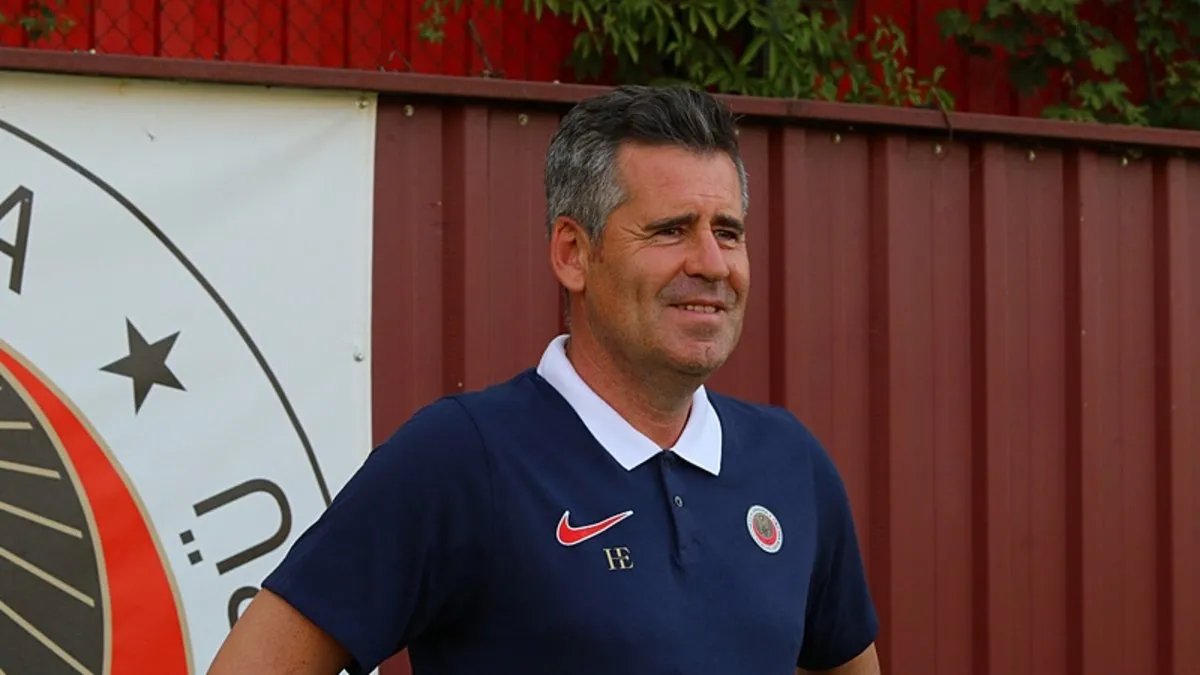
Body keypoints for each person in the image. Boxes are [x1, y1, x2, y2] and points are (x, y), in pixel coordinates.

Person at [208, 85, 879, 675]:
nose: (711, 262)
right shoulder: (462, 459)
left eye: (728, 232)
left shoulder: (791, 465)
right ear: (573, 253)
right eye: (671, 230)